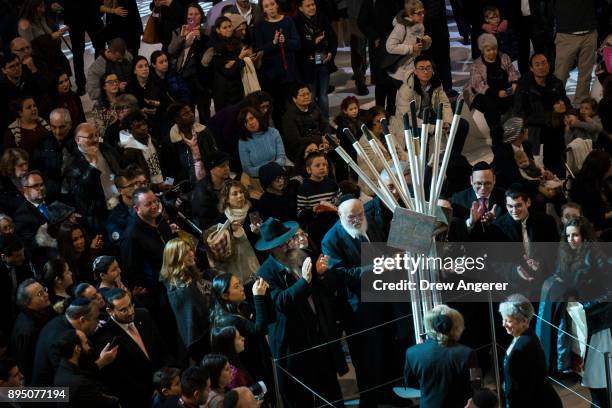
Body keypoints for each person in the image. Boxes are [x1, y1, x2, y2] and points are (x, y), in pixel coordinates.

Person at [322, 197, 406, 407]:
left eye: (361, 214)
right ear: (341, 216)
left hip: (383, 300)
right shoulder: (331, 239)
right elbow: (341, 275)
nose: (358, 219)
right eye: (352, 216)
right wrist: (376, 268)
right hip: (358, 308)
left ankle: (387, 393)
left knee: (386, 349)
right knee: (366, 357)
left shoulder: (372, 224)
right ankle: (369, 401)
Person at [255, 217, 346, 407]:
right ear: (271, 248)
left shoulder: (302, 256)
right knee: (302, 396)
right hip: (294, 343)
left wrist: (320, 274)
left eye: (288, 240)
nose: (288, 246)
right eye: (281, 244)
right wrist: (304, 281)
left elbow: (327, 290)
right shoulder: (266, 272)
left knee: (331, 391)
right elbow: (281, 302)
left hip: (318, 334)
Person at [92, 288, 169, 408]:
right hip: (140, 399)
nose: (130, 312)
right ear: (110, 311)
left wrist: (167, 379)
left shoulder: (143, 315)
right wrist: (150, 392)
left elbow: (161, 348)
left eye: (130, 305)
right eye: (123, 310)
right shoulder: (105, 338)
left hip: (165, 385)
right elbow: (121, 378)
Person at [404, 305, 478, 408]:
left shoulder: (412, 352)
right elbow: (476, 385)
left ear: (429, 325)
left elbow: (410, 383)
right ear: (457, 326)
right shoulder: (467, 353)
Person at [395, 54, 469, 155]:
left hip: (430, 116)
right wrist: (433, 128)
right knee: (420, 136)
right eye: (421, 69)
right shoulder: (407, 89)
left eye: (428, 68)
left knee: (461, 125)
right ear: (415, 71)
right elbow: (407, 117)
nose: (425, 71)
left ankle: (452, 157)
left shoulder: (436, 83)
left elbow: (445, 103)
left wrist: (447, 121)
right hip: (414, 122)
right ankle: (423, 166)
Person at [210, 272, 271, 391]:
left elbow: (264, 320)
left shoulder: (242, 306)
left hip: (261, 360)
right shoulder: (228, 320)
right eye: (236, 286)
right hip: (250, 370)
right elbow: (260, 330)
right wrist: (258, 297)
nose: (242, 288)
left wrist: (265, 294)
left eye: (240, 284)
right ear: (224, 295)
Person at [31, 297, 112, 386]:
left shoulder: (63, 320)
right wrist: (101, 362)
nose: (98, 322)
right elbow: (69, 377)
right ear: (82, 320)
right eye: (96, 319)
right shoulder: (61, 340)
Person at [499, 294, 562, 408]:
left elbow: (525, 387)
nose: (503, 324)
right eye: (503, 319)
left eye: (508, 321)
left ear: (523, 321)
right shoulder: (523, 336)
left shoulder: (524, 345)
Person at [160, 238, 212, 361]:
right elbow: (201, 311)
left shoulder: (185, 276)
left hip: (200, 335)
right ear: (175, 258)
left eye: (190, 250)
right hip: (201, 339)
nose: (191, 254)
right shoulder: (182, 288)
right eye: (186, 253)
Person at [64, 122, 122, 235]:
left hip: (120, 203)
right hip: (100, 215)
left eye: (96, 135)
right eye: (90, 136)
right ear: (78, 140)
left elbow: (120, 167)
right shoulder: (72, 164)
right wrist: (93, 166)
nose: (96, 139)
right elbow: (81, 193)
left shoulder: (105, 148)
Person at [464, 34, 519, 145]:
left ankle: (518, 130)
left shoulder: (504, 57)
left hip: (503, 90)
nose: (492, 52)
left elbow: (513, 72)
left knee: (520, 97)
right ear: (482, 51)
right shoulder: (476, 65)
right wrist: (496, 93)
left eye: (494, 49)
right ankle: (496, 137)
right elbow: (478, 85)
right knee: (491, 107)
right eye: (488, 50)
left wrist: (514, 84)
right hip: (484, 93)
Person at [513, 53, 570, 157]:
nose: (541, 67)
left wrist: (567, 111)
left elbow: (566, 103)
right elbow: (520, 115)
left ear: (548, 65)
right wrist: (552, 115)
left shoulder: (556, 83)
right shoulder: (523, 87)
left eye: (544, 63)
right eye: (537, 65)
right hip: (535, 128)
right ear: (531, 68)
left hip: (556, 124)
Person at [254, 0, 300, 125]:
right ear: (263, 9)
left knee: (289, 107)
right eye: (267, 6)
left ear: (277, 5)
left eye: (272, 4)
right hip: (270, 74)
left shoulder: (288, 21)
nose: (271, 8)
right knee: (275, 109)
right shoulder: (260, 25)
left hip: (288, 72)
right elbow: (259, 50)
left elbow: (297, 43)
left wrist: (286, 41)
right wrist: (274, 43)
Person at [205, 180, 259, 282]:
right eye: (235, 194)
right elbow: (216, 247)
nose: (240, 196)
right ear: (227, 199)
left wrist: (258, 232)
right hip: (237, 267)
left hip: (258, 260)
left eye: (241, 192)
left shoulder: (253, 210)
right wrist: (230, 231)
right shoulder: (221, 219)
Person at [384, 0, 431, 113]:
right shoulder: (401, 27)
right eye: (418, 13)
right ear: (410, 15)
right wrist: (411, 48)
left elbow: (418, 48)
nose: (422, 15)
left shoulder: (420, 26)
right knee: (402, 103)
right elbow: (390, 46)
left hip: (411, 69)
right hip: (399, 71)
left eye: (423, 12)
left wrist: (425, 44)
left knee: (410, 102)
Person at [53, 330, 121, 407]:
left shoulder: (63, 368)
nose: (89, 347)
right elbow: (110, 403)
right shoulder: (80, 384)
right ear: (77, 349)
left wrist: (102, 360)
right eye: (86, 343)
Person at [167, 3, 211, 122]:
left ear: (201, 16)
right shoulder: (178, 31)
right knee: (187, 111)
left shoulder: (207, 31)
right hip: (184, 76)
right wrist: (182, 38)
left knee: (204, 113)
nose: (193, 17)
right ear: (186, 16)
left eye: (196, 14)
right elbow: (171, 50)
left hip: (201, 78)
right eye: (190, 14)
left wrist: (201, 37)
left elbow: (210, 50)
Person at [293, 0, 337, 118]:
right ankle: (314, 122)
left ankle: (325, 122)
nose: (312, 7)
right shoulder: (296, 22)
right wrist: (314, 42)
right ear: (300, 8)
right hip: (306, 62)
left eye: (313, 4)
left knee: (323, 94)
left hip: (321, 57)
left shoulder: (321, 17)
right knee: (310, 95)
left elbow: (332, 37)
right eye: (308, 6)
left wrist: (331, 53)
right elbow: (298, 46)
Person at [553, 0, 597, 105]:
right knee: (560, 75)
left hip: (589, 30)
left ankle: (581, 106)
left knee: (586, 75)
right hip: (566, 33)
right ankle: (556, 106)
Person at [10, 278, 53, 385]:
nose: (46, 295)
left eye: (44, 290)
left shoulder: (43, 311)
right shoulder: (27, 331)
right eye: (40, 294)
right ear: (27, 304)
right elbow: (26, 366)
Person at [451, 161, 506, 242]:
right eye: (478, 183)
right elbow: (456, 233)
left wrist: (495, 222)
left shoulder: (504, 197)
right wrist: (470, 222)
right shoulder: (458, 199)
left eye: (487, 183)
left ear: (494, 179)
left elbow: (510, 226)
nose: (483, 188)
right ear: (471, 180)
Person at [31, 108, 77, 203]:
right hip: (53, 197)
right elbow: (35, 170)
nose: (57, 132)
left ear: (70, 125)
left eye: (62, 127)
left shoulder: (79, 140)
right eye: (54, 127)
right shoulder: (43, 144)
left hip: (76, 193)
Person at [166, 102, 218, 184]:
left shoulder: (204, 131)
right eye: (185, 114)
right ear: (177, 119)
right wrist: (169, 183)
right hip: (188, 182)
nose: (191, 115)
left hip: (209, 177)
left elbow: (215, 153)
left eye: (190, 111)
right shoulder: (171, 141)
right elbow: (170, 167)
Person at [296, 151, 340, 246]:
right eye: (317, 165)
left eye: (324, 165)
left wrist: (334, 203)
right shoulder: (304, 188)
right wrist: (313, 209)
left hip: (334, 222)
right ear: (309, 170)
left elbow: (340, 199)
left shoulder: (332, 184)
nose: (322, 167)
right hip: (317, 227)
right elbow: (300, 213)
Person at [238, 106, 287, 186]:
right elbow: (248, 169)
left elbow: (281, 158)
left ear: (257, 117)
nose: (250, 123)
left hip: (278, 174)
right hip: (257, 179)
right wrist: (267, 171)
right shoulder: (243, 141)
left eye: (251, 118)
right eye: (246, 121)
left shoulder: (273, 132)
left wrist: (271, 170)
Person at [281, 82, 330, 162]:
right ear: (294, 99)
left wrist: (326, 137)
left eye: (308, 94)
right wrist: (320, 139)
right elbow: (295, 140)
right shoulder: (288, 116)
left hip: (321, 142)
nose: (306, 97)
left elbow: (324, 124)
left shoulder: (314, 107)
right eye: (302, 95)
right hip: (302, 148)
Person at [118, 111, 165, 189]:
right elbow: (137, 179)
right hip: (150, 189)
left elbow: (167, 165)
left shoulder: (154, 140)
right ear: (129, 131)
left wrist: (169, 182)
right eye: (138, 126)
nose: (143, 127)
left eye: (144, 124)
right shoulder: (130, 151)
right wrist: (157, 188)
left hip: (165, 183)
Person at [211, 16, 249, 111]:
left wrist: (238, 61)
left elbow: (233, 67)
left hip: (237, 91)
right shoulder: (216, 47)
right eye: (224, 28)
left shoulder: (235, 43)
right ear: (218, 30)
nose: (228, 29)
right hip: (225, 94)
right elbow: (228, 72)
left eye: (230, 26)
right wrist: (240, 58)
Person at [569, 150, 612, 234]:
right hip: (595, 224)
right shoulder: (585, 188)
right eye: (610, 164)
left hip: (603, 213)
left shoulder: (598, 180)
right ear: (602, 169)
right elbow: (592, 217)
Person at [106, 165, 148, 246]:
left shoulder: (146, 203)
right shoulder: (114, 219)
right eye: (131, 185)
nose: (136, 187)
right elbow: (124, 245)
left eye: (136, 183)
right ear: (120, 190)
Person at [191, 150, 232, 229]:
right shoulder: (202, 193)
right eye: (222, 166)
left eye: (228, 164)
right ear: (211, 169)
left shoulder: (229, 182)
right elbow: (207, 224)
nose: (227, 168)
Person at [91, 72, 121, 138]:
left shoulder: (124, 99)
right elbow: (100, 131)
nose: (115, 84)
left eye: (116, 81)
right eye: (110, 82)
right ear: (104, 86)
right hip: (110, 138)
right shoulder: (98, 106)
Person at [0, 149, 29, 215]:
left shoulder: (31, 176)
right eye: (21, 165)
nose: (25, 168)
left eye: (26, 163)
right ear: (10, 167)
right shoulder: (3, 186)